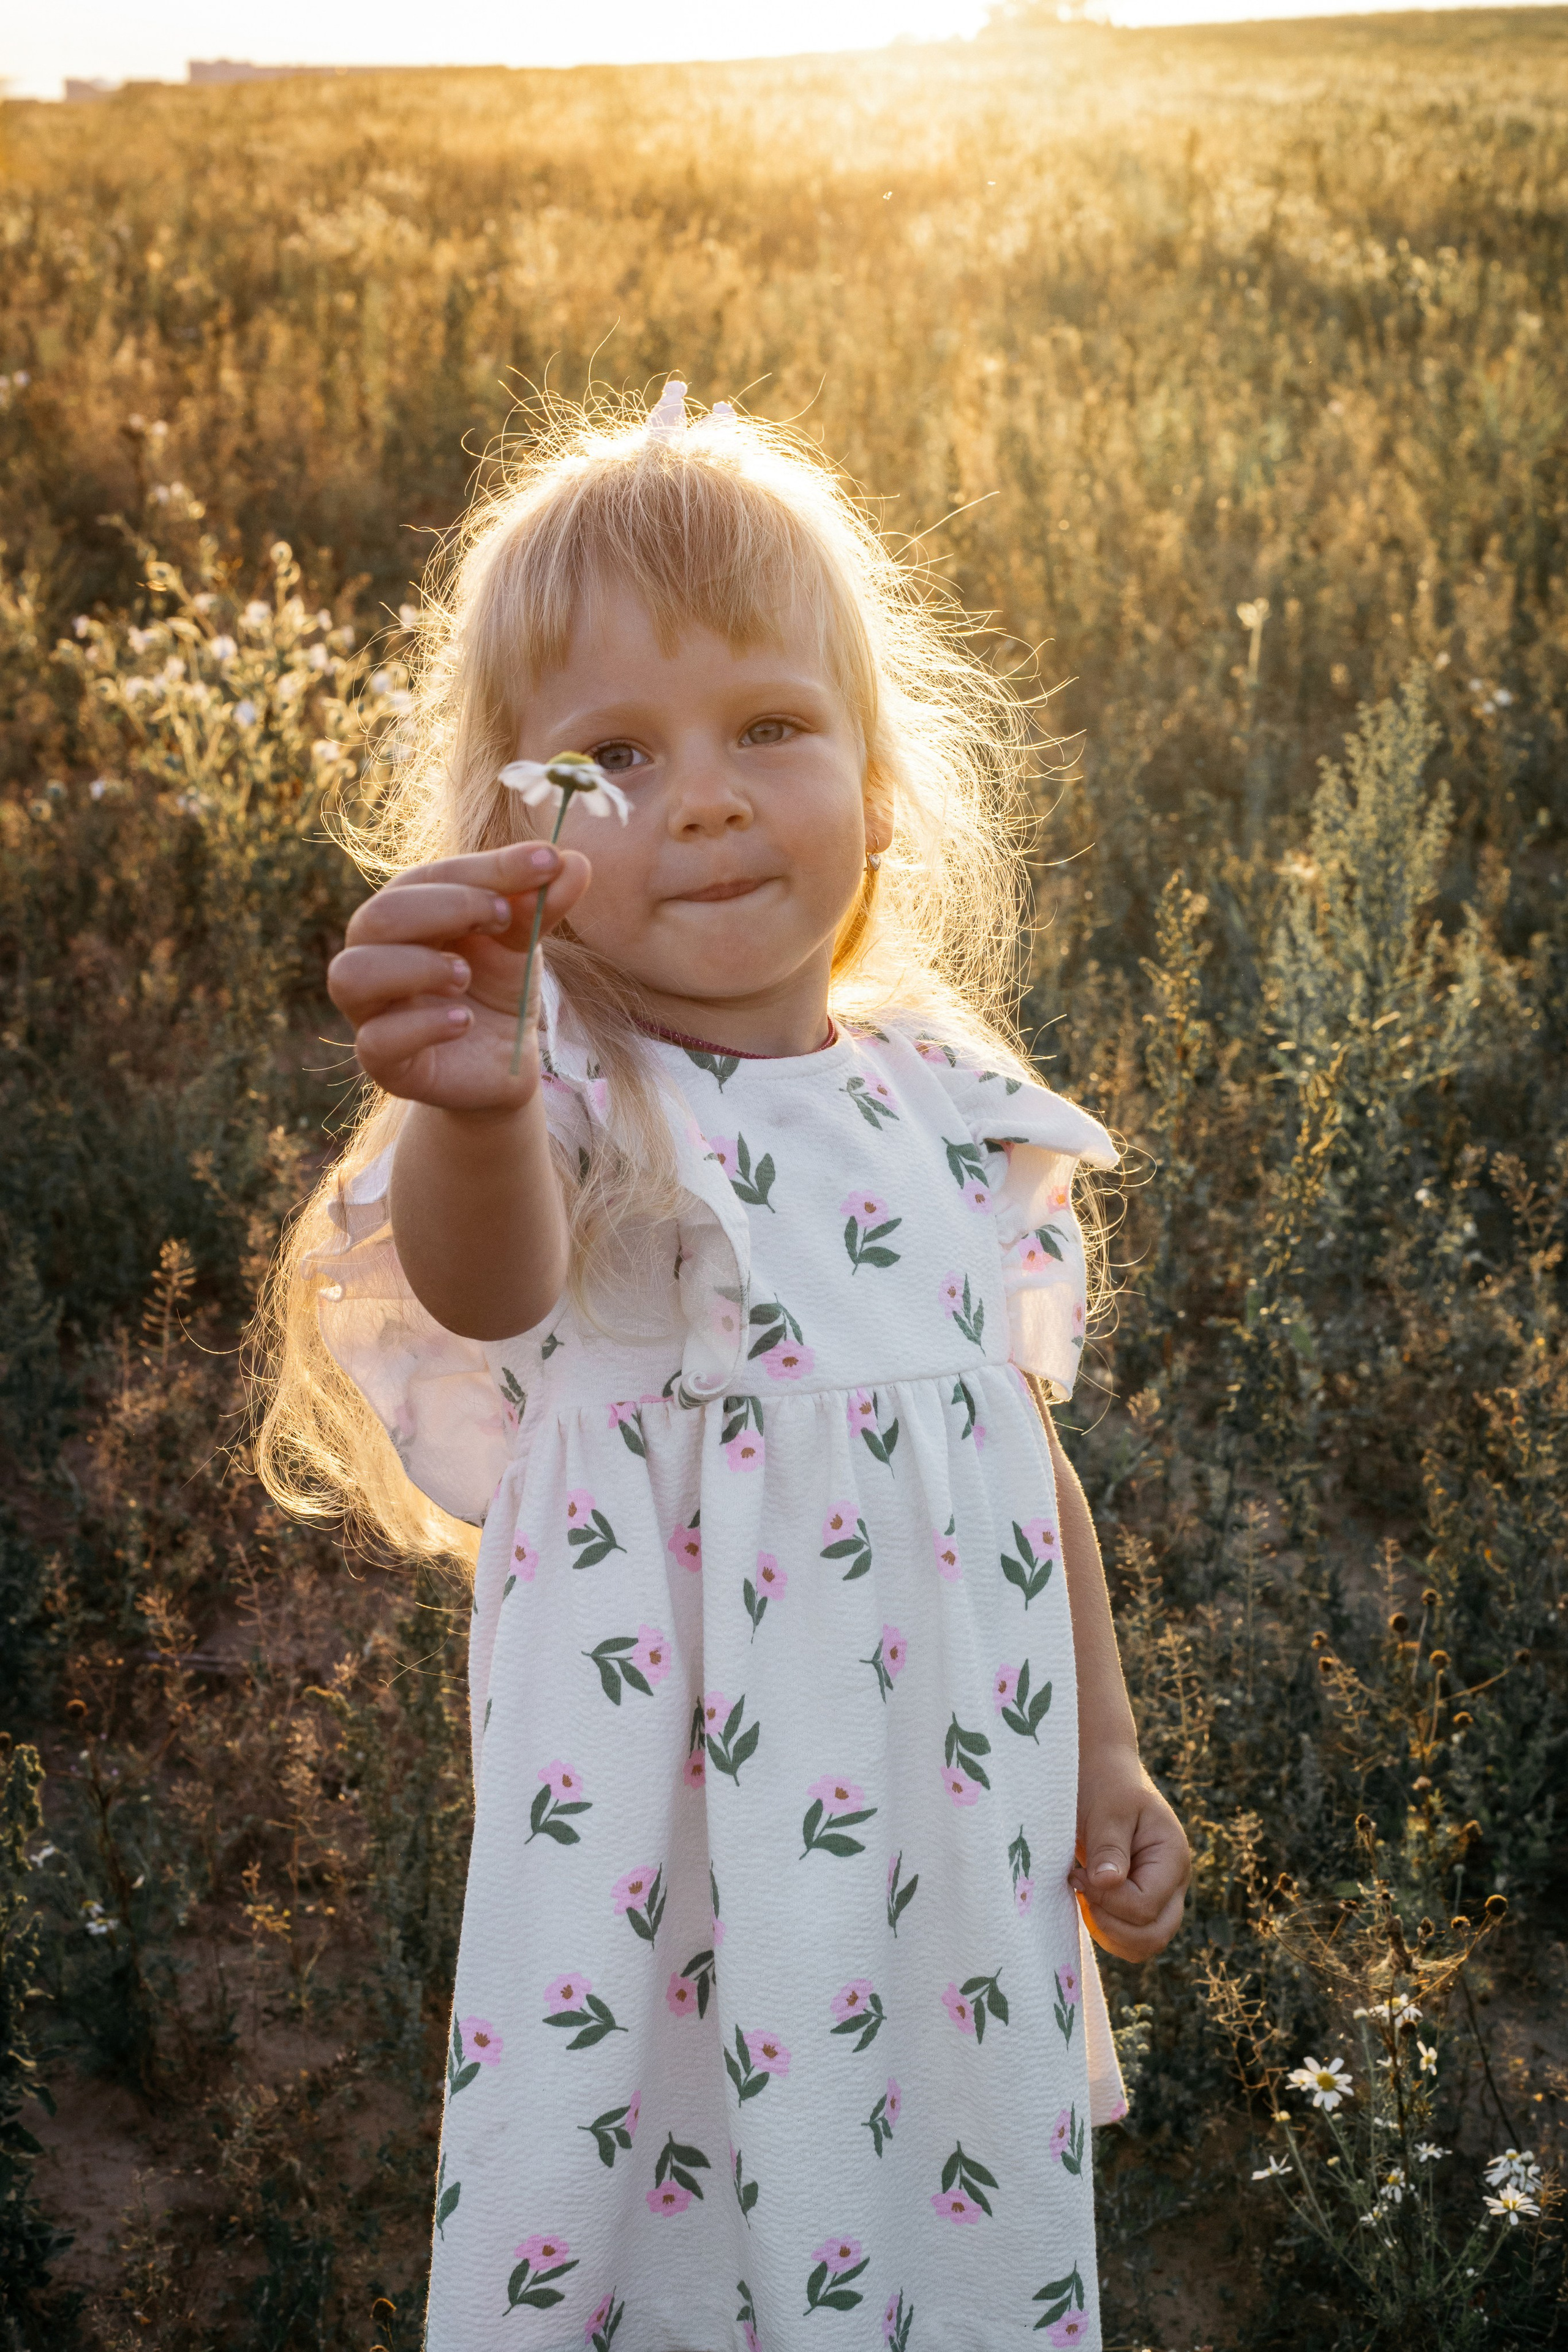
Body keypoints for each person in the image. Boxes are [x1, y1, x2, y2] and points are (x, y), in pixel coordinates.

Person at [258, 382, 1189, 2352]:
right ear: (516, 833)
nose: (701, 796)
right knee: (670, 2215)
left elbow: (1011, 1452)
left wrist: (1103, 1747)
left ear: (879, 774)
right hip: (671, 1851)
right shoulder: (575, 1105)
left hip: (938, 1821)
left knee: (930, 2194)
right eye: (612, 757)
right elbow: (489, 1289)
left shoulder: (946, 1105)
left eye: (769, 726)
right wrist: (471, 1102)